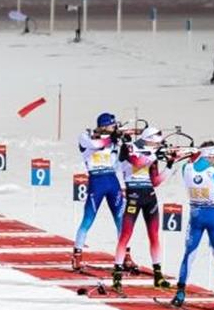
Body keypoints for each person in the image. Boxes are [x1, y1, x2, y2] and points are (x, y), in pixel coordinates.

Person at [171, 141, 214, 306]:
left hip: (195, 216)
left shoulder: (186, 169)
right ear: (210, 155)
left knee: (189, 254)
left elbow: (193, 164)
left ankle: (180, 292)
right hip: (213, 216)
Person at [112, 126, 172, 291]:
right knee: (125, 235)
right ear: (148, 140)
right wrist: (155, 154)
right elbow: (137, 162)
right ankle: (117, 276)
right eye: (156, 143)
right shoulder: (129, 147)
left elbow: (156, 181)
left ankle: (158, 275)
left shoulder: (152, 154)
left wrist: (169, 165)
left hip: (149, 196)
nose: (158, 145)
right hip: (133, 195)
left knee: (154, 236)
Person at [71, 112, 129, 272]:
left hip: (112, 180)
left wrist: (123, 145)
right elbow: (95, 145)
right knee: (88, 219)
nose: (115, 128)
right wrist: (111, 139)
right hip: (96, 181)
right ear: (104, 126)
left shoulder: (113, 140)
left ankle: (125, 256)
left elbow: (118, 163)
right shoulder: (86, 136)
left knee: (122, 220)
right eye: (112, 126)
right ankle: (77, 255)